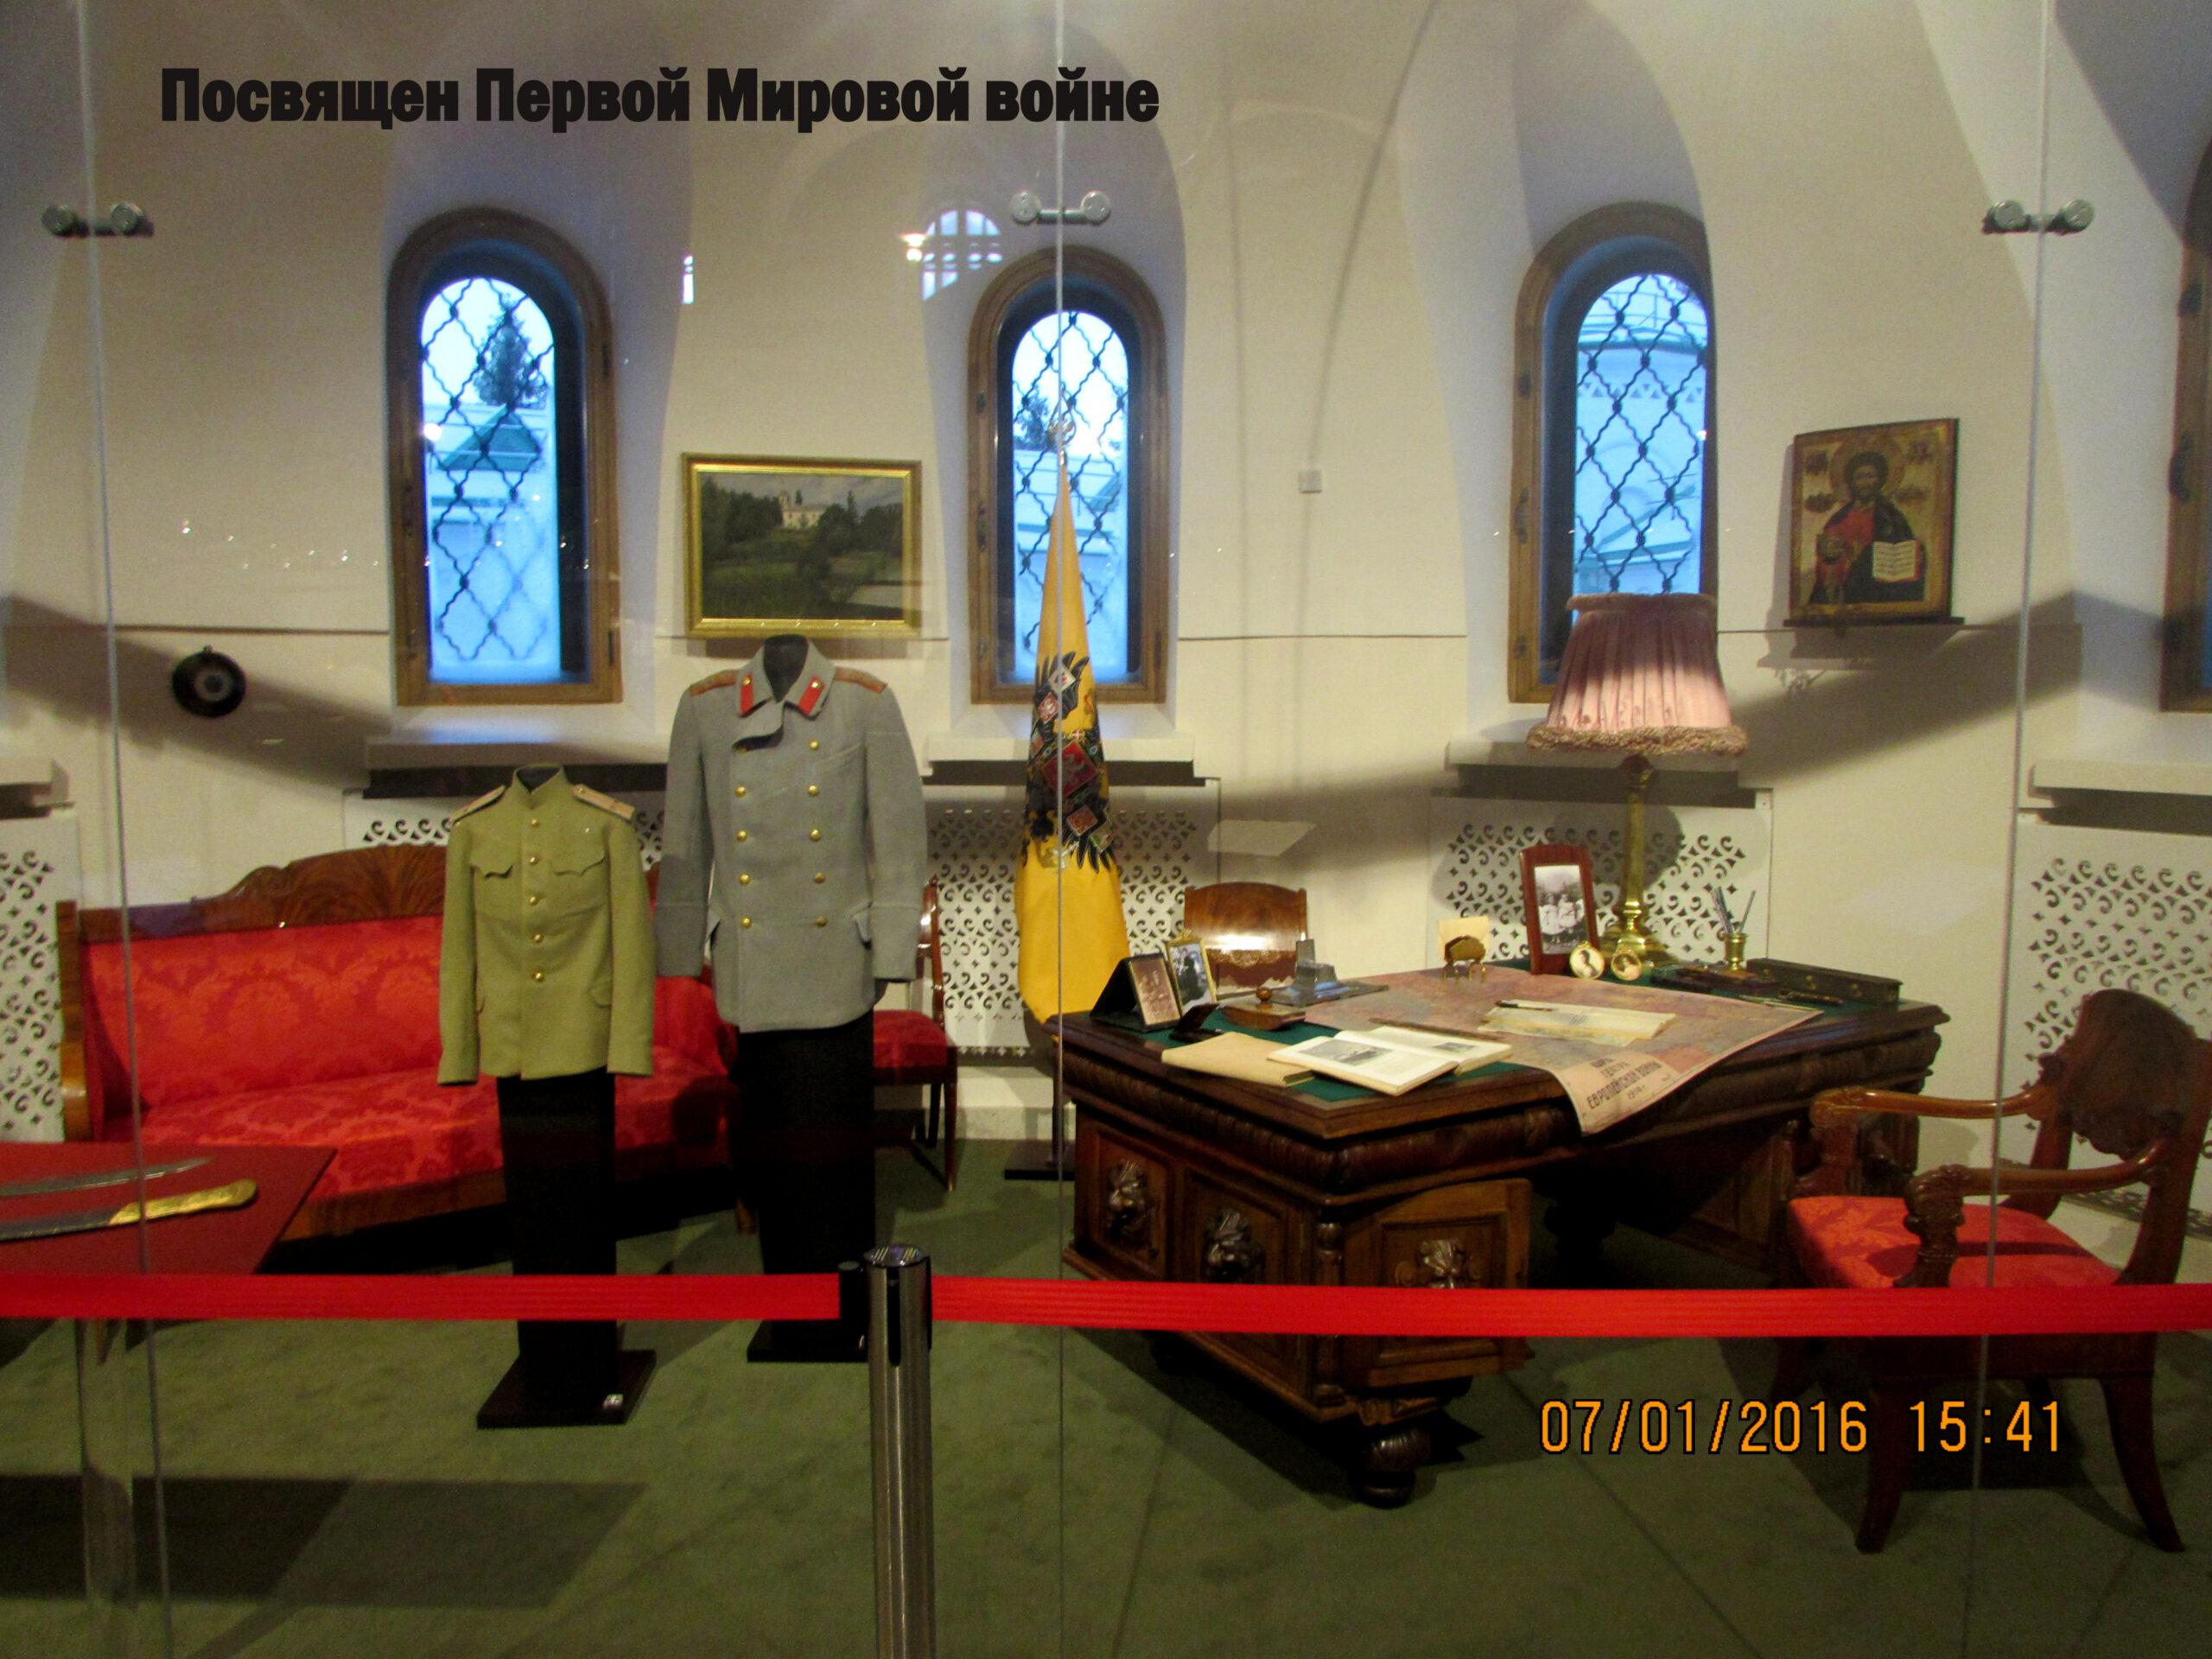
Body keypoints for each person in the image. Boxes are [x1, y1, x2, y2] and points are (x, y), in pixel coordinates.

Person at [1817, 450, 1925, 605]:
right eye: (1860, 477)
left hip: (1880, 590)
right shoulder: (1839, 519)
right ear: (1851, 481)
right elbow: (1826, 560)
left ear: (1880, 479)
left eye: (1870, 476)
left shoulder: (1891, 517)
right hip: (1845, 590)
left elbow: (1905, 552)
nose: (1865, 483)